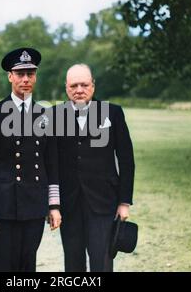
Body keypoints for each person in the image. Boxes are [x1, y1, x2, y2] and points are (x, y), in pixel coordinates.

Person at [0, 47, 62, 272]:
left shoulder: (46, 115)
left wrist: (53, 205)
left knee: (27, 266)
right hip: (2, 204)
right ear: (10, 76)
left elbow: (51, 162)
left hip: (34, 202)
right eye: (20, 74)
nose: (25, 79)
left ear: (35, 76)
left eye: (30, 74)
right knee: (3, 265)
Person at [56, 63, 135, 272]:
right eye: (74, 85)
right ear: (66, 87)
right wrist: (52, 203)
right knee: (72, 262)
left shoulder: (113, 113)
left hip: (103, 201)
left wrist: (124, 202)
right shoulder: (55, 115)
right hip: (69, 203)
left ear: (93, 86)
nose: (79, 90)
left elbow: (126, 159)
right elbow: (51, 162)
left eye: (84, 84)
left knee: (102, 261)